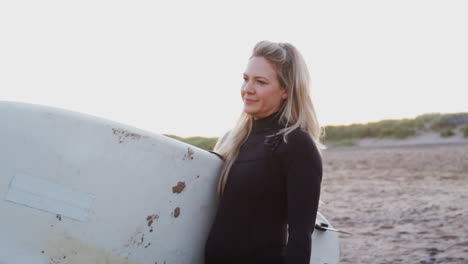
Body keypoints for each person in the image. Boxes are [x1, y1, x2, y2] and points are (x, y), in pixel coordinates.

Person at [204, 40, 323, 264]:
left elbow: (300, 239)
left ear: (285, 90)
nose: (247, 89)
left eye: (260, 82)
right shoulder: (235, 140)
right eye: (245, 79)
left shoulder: (296, 145)